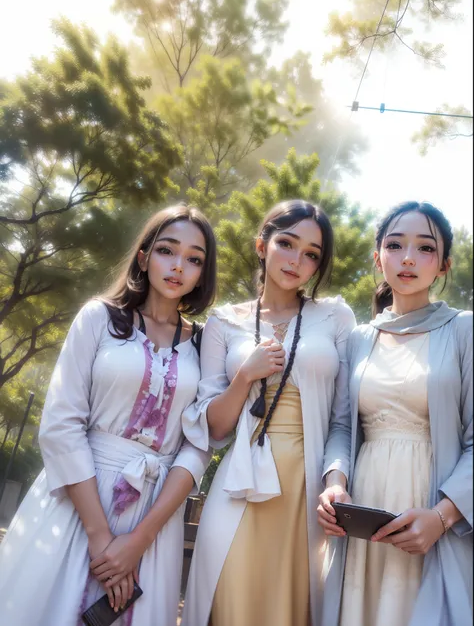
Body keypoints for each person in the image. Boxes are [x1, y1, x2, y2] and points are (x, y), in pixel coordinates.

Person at [0, 204, 217, 626]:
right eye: (167, 251)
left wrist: (139, 540)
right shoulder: (99, 318)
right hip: (78, 501)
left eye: (194, 259)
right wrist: (102, 540)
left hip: (155, 518)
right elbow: (62, 424)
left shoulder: (205, 344)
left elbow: (198, 445)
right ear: (143, 256)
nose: (178, 267)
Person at [181, 199, 356, 626]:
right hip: (238, 488)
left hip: (306, 490)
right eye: (287, 243)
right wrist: (244, 377)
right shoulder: (223, 323)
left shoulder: (335, 317)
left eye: (312, 254)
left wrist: (335, 482)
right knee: (228, 604)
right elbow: (215, 428)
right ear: (262, 245)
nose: (297, 260)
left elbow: (343, 420)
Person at [318, 201, 473, 626]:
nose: (408, 258)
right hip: (364, 511)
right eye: (395, 245)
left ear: (443, 265)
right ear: (377, 257)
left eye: (425, 248)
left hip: (432, 511)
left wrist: (441, 518)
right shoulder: (358, 339)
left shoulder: (464, 330)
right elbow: (342, 426)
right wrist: (335, 484)